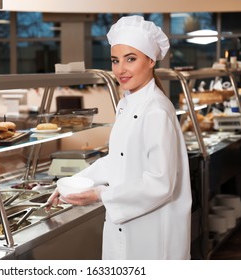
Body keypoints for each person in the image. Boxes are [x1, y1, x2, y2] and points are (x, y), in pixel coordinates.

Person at [47, 15, 192, 260]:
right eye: (115, 60)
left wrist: (101, 194)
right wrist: (75, 182)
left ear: (150, 61)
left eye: (131, 59)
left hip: (152, 233)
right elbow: (118, 160)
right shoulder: (128, 103)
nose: (120, 70)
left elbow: (160, 183)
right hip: (129, 225)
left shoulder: (155, 110)